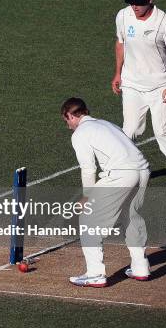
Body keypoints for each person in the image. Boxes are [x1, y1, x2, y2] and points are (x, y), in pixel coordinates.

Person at [111, 0, 166, 194]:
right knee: (128, 132)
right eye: (131, 2)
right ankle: (129, 175)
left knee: (164, 134)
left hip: (159, 87)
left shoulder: (163, 21)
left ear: (150, 0)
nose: (134, 7)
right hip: (132, 85)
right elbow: (120, 43)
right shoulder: (123, 15)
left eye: (139, 2)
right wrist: (118, 73)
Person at [62, 97, 151, 287]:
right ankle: (140, 267)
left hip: (121, 174)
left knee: (88, 217)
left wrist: (87, 196)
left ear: (71, 115)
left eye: (66, 120)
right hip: (143, 170)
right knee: (131, 216)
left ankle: (95, 273)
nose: (68, 126)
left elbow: (88, 169)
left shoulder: (80, 133)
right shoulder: (107, 124)